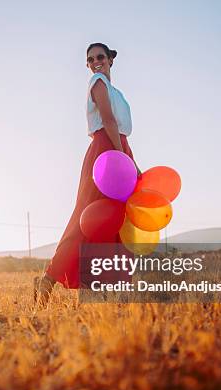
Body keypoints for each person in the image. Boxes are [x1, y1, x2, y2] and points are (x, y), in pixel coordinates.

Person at [34, 42, 142, 307]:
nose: (96, 62)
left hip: (119, 148)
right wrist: (124, 159)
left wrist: (132, 161)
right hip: (105, 154)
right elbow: (108, 121)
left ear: (111, 60)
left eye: (101, 57)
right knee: (85, 219)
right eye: (91, 59)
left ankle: (116, 290)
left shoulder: (118, 92)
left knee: (118, 220)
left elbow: (120, 129)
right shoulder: (97, 82)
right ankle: (47, 280)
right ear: (88, 64)